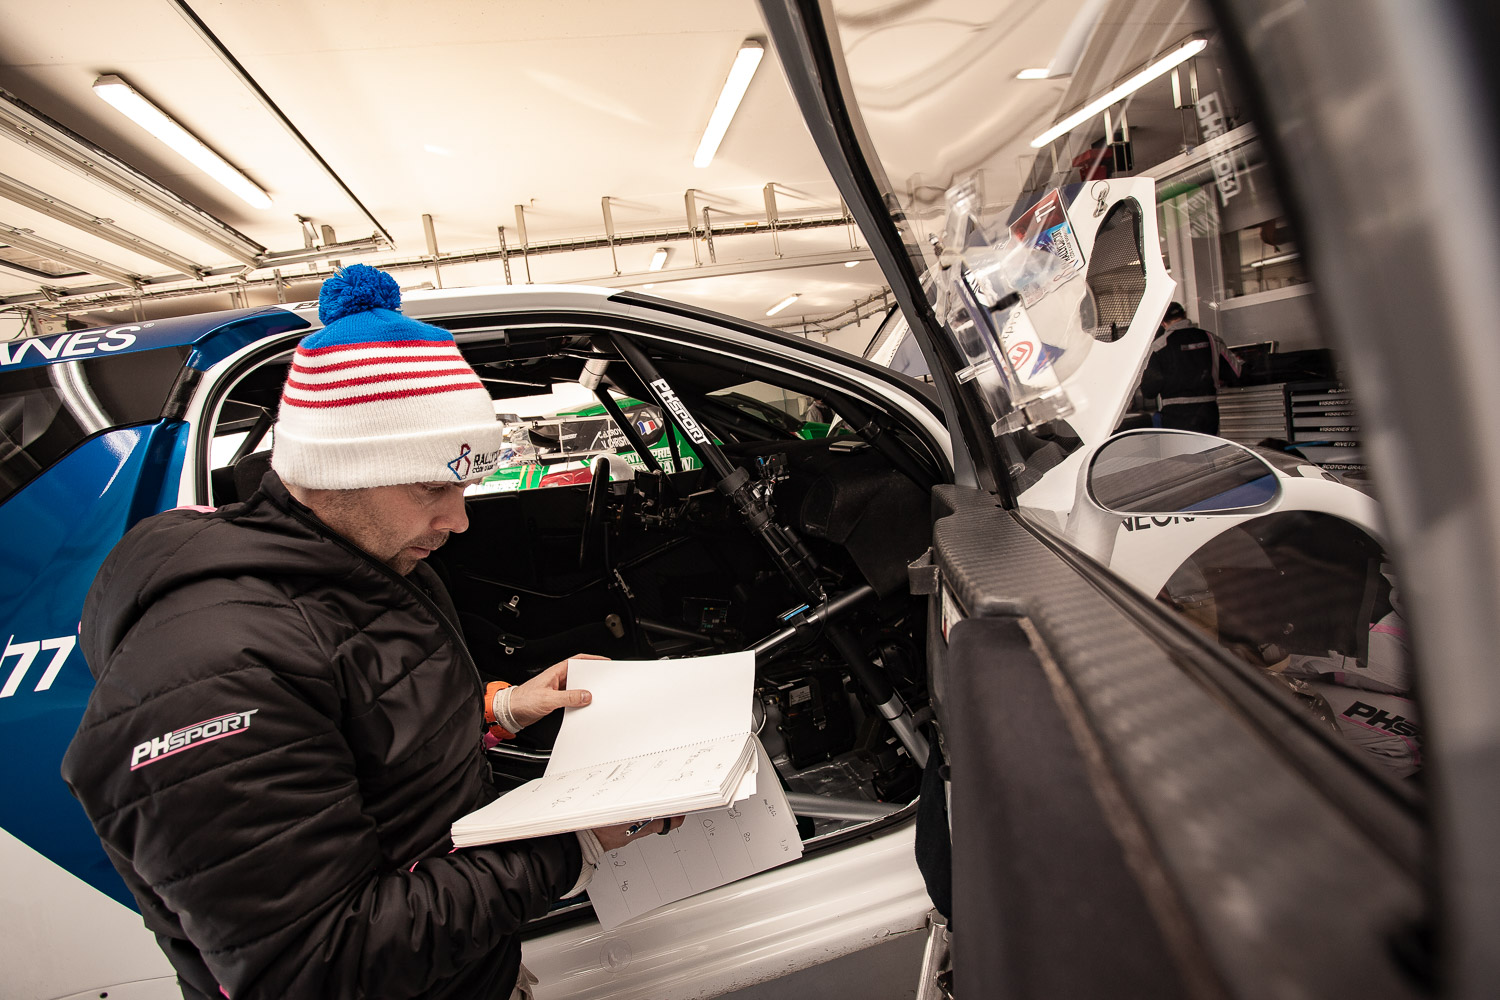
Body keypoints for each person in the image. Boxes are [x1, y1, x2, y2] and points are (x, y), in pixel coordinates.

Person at [60, 265, 673, 1000]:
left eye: (464, 484)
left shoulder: (364, 565)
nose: (458, 519)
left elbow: (363, 737)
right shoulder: (213, 673)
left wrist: (500, 711)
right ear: (336, 470)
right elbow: (318, 964)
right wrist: (570, 850)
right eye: (433, 486)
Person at [1138, 301, 1242, 434]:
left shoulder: (1158, 347)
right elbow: (1235, 372)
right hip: (1207, 413)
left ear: (1163, 323)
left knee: (1179, 448)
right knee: (1207, 447)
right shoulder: (1212, 339)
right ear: (1185, 315)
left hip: (1174, 416)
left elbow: (1149, 390)